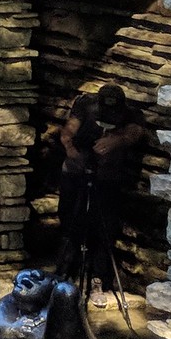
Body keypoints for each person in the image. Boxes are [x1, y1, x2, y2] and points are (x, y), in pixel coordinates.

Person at [55, 82, 148, 303]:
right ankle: (64, 273)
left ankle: (99, 280)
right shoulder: (85, 105)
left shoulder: (131, 114)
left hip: (108, 180)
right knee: (70, 222)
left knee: (104, 227)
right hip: (76, 174)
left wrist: (116, 140)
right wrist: (71, 151)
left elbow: (135, 132)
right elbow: (68, 131)